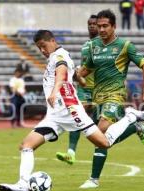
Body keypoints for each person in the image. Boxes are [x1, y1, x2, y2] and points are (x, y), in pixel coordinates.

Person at [0, 29, 144, 191]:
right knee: (26, 145)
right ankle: (22, 184)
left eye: (43, 45)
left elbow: (62, 73)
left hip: (71, 111)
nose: (42, 50)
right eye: (39, 47)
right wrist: (80, 80)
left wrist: (56, 89)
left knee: (104, 143)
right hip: (55, 116)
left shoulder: (59, 56)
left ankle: (131, 117)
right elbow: (73, 75)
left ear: (52, 40)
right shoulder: (59, 56)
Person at [76, 9, 144, 189]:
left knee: (101, 132)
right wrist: (74, 75)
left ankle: (93, 180)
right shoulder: (94, 46)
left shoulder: (125, 46)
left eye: (105, 26)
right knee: (100, 139)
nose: (101, 29)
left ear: (114, 27)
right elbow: (85, 73)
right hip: (98, 98)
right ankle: (134, 126)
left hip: (116, 94)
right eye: (99, 26)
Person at [55, 15, 99, 165]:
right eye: (89, 24)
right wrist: (78, 76)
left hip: (101, 88)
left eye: (95, 24)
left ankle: (134, 125)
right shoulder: (86, 45)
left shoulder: (105, 44)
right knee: (77, 116)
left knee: (104, 125)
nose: (92, 26)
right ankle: (71, 153)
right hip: (85, 88)